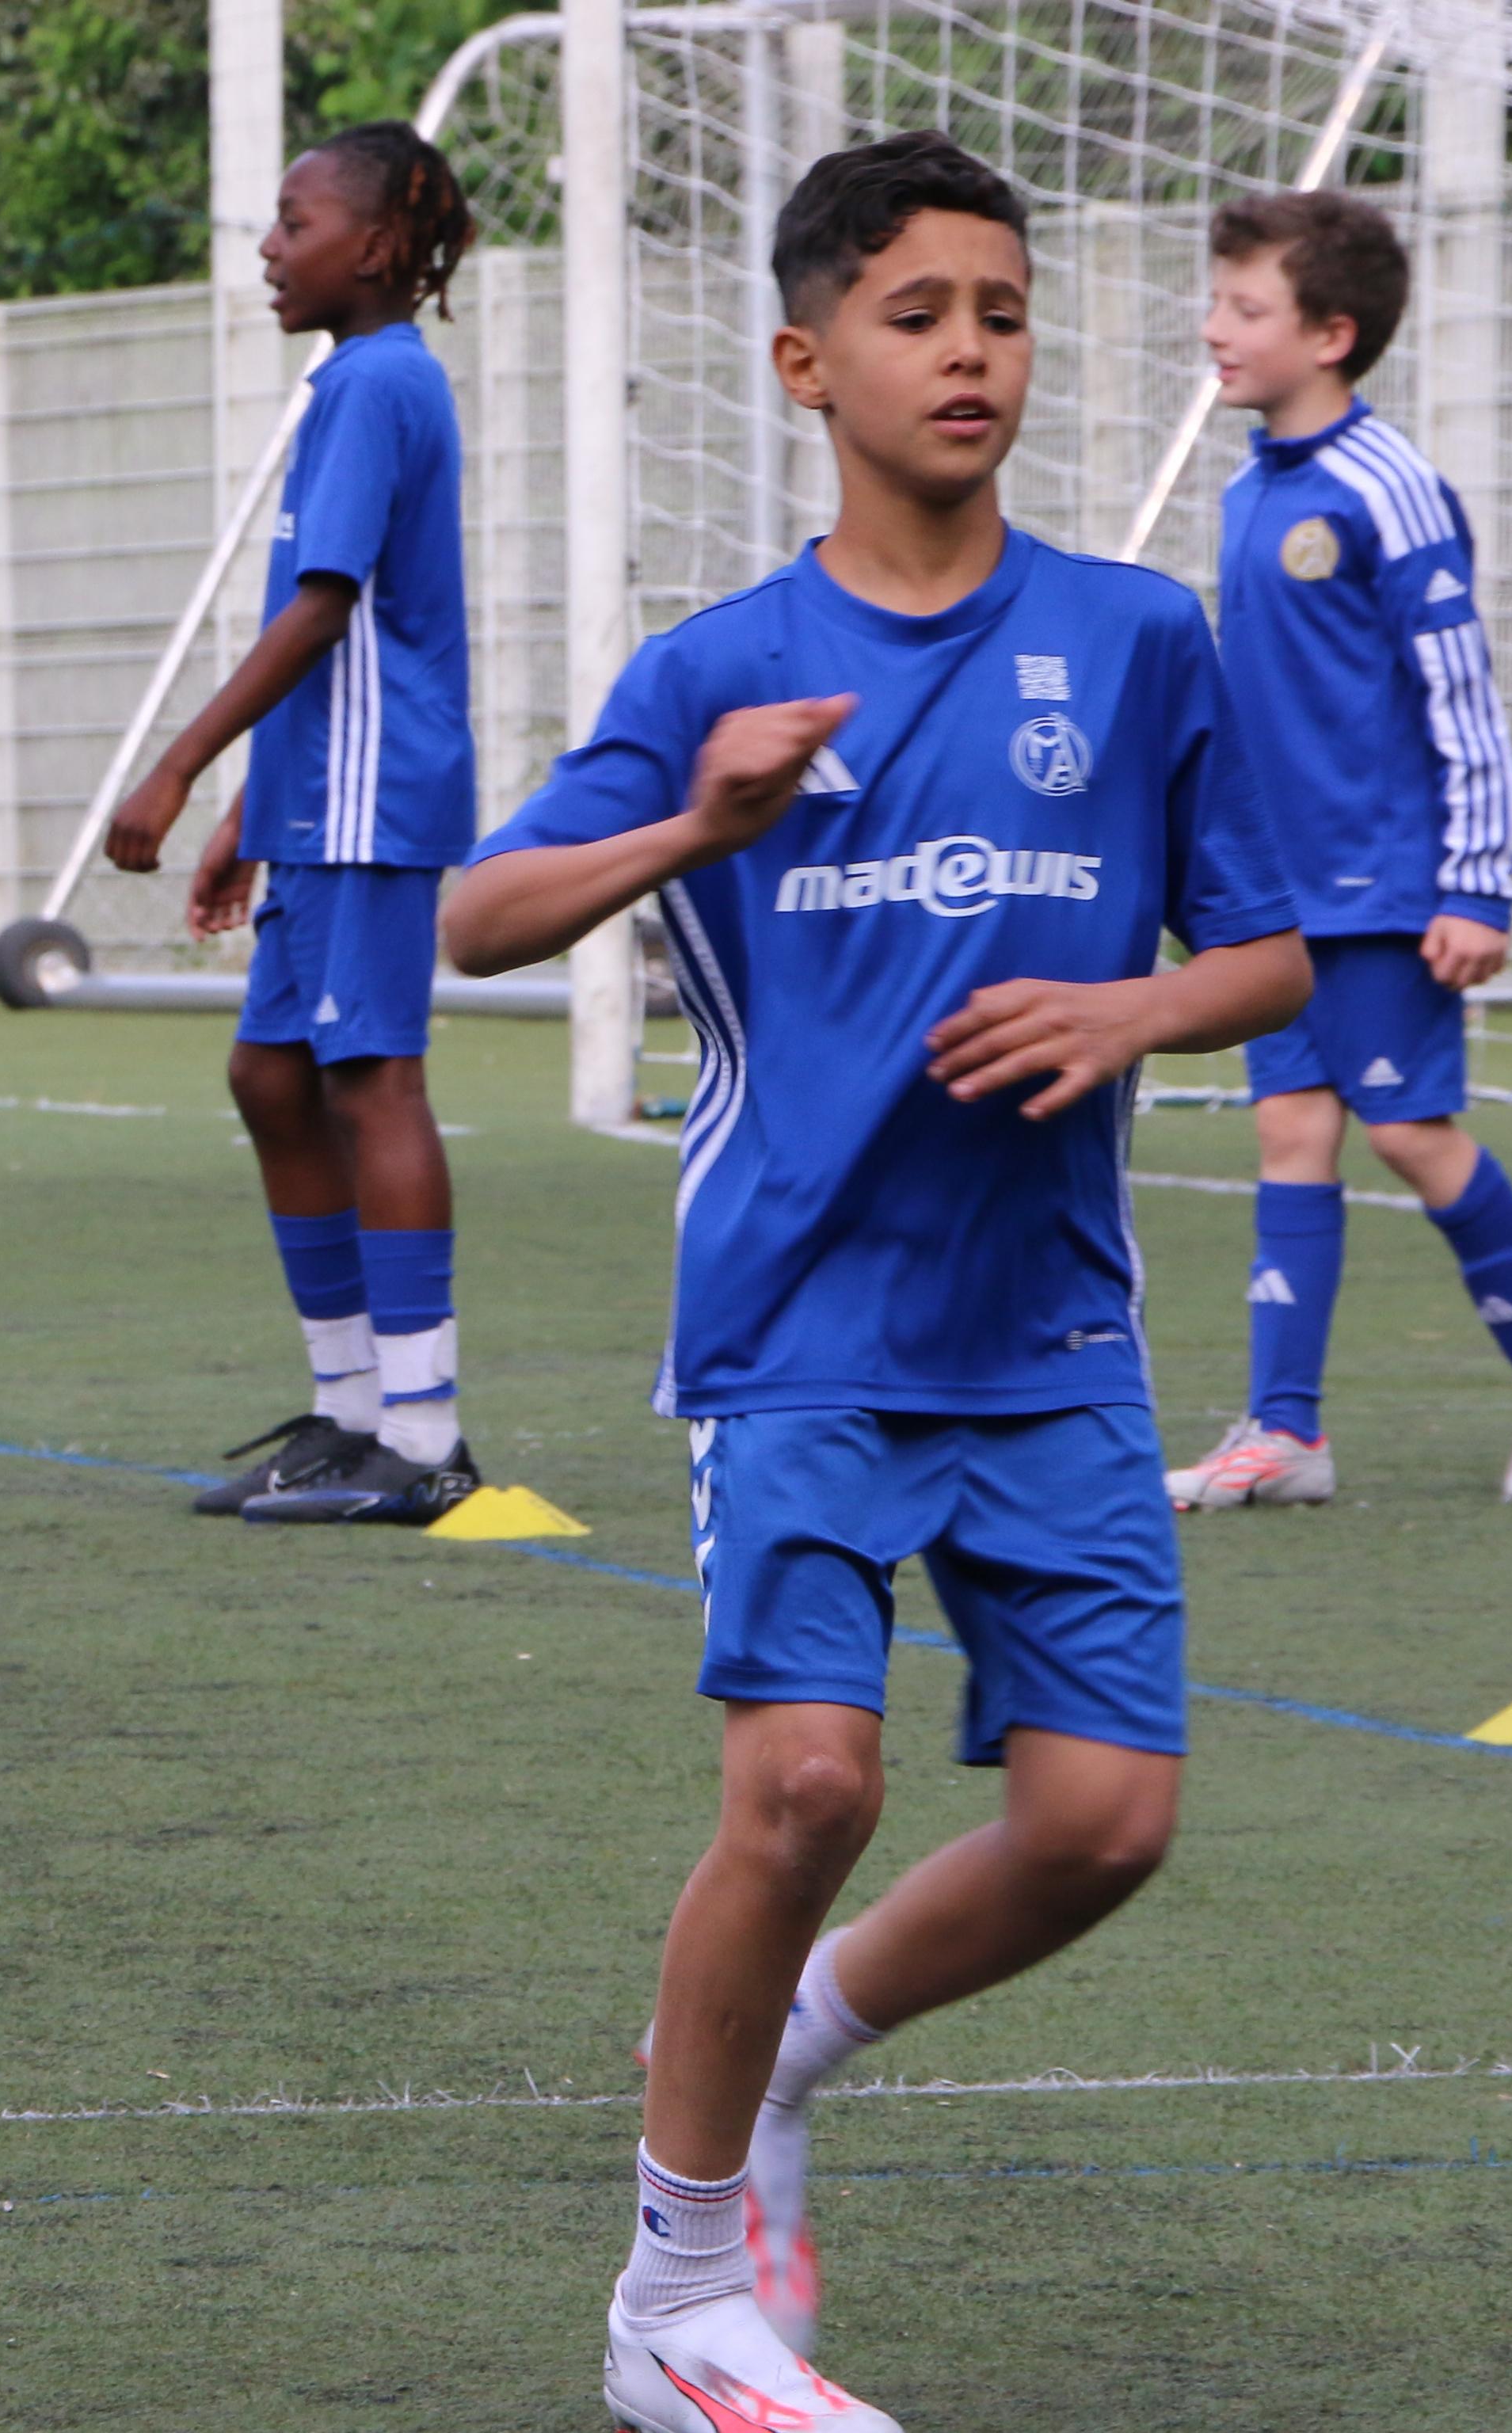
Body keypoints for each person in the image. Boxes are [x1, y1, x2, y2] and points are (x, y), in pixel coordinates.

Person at [440, 133, 1305, 2432]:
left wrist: (1134, 1010)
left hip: (1048, 1337)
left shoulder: (1135, 643)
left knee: (1109, 1824)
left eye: (1005, 312)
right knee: (807, 1782)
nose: (973, 353)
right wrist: (692, 828)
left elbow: (1276, 947)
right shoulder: (720, 667)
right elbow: (480, 920)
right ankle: (675, 2302)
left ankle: (794, 2034)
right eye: (922, 315)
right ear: (811, 363)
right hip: (797, 1325)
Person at [1164, 190, 1512, 1511]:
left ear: (1331, 333)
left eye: (1245, 309)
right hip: (1280, 897)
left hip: (1383, 891)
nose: (1214, 329)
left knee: (1412, 1137)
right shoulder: (1254, 487)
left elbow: (1459, 694)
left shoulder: (1392, 487)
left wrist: (1477, 881)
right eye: (1218, 302)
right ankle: (1283, 1431)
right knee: (1292, 1136)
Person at [99, 121, 486, 1525]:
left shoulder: (382, 385)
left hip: (377, 797)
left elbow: (328, 611)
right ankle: (346, 1413)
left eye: (292, 221)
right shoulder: (350, 385)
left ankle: (427, 1438)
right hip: (319, 794)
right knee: (271, 1079)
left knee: (373, 1082)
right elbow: (319, 625)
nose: (269, 248)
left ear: (376, 247)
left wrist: (183, 768)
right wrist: (259, 807)